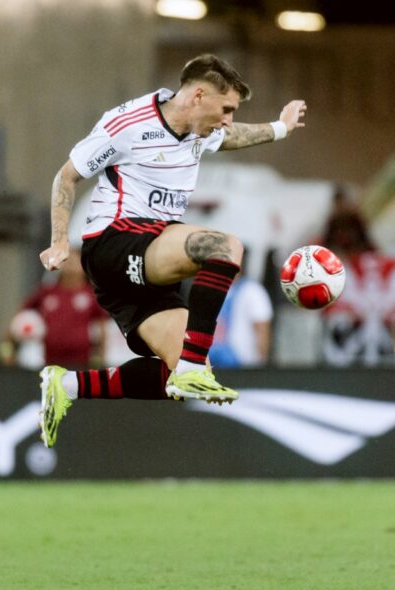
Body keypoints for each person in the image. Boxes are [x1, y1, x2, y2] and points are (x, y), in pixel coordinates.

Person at [37, 53, 306, 446]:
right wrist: (60, 240)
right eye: (226, 109)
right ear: (198, 96)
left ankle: (67, 385)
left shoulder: (203, 130)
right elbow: (67, 176)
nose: (228, 119)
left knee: (175, 376)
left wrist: (281, 128)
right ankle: (194, 364)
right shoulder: (126, 124)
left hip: (150, 255)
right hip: (114, 241)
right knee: (224, 246)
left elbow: (231, 136)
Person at [1, 249, 106, 370]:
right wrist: (6, 351)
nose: (70, 264)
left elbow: (101, 327)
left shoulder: (91, 294)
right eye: (66, 260)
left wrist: (100, 357)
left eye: (74, 260)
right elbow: (17, 317)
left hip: (82, 361)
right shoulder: (46, 291)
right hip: (50, 361)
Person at [207, 257, 273, 368]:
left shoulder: (252, 291)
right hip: (213, 364)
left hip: (244, 366)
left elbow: (262, 328)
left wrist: (261, 364)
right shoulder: (210, 291)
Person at [321, 186, 375, 260]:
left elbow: (365, 239)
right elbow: (328, 242)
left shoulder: (354, 218)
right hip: (342, 255)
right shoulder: (333, 221)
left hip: (357, 253)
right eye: (338, 203)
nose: (341, 205)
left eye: (342, 202)